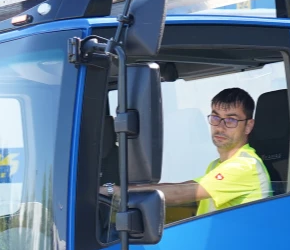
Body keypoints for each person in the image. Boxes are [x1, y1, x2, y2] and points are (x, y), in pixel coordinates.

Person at [109, 87, 270, 216]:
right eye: (215, 118)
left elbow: (182, 193)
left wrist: (117, 191)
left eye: (231, 120)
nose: (220, 127)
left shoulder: (245, 166)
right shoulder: (217, 165)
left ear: (248, 126)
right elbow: (183, 186)